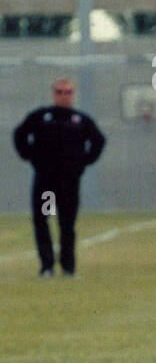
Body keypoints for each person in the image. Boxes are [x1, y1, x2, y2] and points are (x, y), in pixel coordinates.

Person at [12, 78, 106, 277]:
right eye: (60, 91)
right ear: (54, 93)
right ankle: (46, 266)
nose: (64, 95)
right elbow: (20, 134)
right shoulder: (41, 117)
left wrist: (83, 161)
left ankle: (68, 267)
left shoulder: (80, 120)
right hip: (47, 184)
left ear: (73, 94)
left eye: (68, 92)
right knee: (43, 220)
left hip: (68, 183)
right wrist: (30, 156)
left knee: (67, 223)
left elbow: (98, 140)